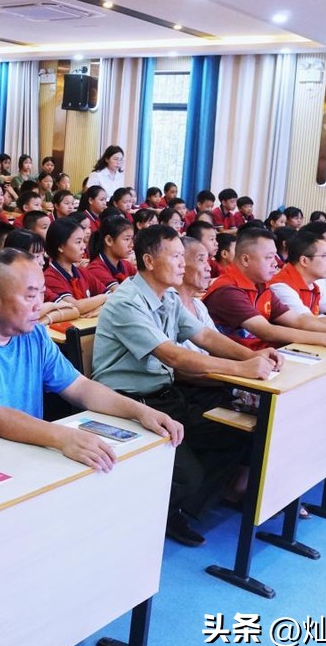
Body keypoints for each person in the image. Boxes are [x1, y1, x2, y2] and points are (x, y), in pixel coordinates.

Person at [93, 227, 281, 545]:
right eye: (177, 256)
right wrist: (241, 368)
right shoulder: (127, 301)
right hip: (127, 403)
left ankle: (177, 508)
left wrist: (253, 356)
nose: (184, 263)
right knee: (188, 475)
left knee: (237, 436)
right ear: (149, 261)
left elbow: (205, 336)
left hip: (165, 396)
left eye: (184, 256)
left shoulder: (168, 296)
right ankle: (159, 512)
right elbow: (173, 355)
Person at [0, 248, 182, 469]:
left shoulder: (33, 334)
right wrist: (62, 437)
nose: (39, 305)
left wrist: (139, 411)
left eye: (42, 293)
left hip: (21, 453)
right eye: (30, 296)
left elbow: (80, 387)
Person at [202, 228, 326, 351]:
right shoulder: (228, 290)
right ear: (245, 259)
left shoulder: (261, 285)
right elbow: (266, 331)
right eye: (269, 257)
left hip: (266, 356)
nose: (275, 264)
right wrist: (325, 339)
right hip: (238, 366)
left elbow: (297, 320)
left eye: (274, 257)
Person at [43, 216, 108, 317]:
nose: (84, 247)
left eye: (83, 241)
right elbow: (75, 306)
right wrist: (105, 297)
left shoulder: (82, 272)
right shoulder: (50, 277)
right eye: (78, 242)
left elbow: (112, 296)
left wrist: (101, 307)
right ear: (60, 247)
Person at [85, 212, 136, 291]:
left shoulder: (126, 265)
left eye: (132, 239)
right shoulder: (96, 269)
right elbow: (121, 294)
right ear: (109, 240)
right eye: (127, 239)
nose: (131, 244)